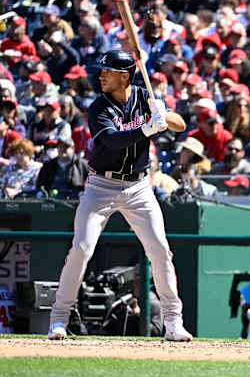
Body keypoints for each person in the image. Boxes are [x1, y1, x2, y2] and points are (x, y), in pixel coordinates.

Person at [48, 50, 192, 342]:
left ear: (124, 76)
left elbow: (181, 126)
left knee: (160, 250)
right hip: (101, 186)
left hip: (139, 187)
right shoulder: (98, 105)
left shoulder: (143, 97)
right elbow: (112, 141)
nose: (100, 76)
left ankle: (173, 322)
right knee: (82, 247)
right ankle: (58, 318)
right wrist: (146, 127)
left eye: (107, 72)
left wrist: (162, 114)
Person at [35, 135, 89, 199]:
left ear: (72, 149)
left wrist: (84, 193)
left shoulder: (82, 164)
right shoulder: (48, 165)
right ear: (57, 148)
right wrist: (41, 193)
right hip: (52, 201)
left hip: (75, 201)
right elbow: (40, 184)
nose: (63, 149)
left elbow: (93, 181)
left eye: (66, 147)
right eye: (60, 146)